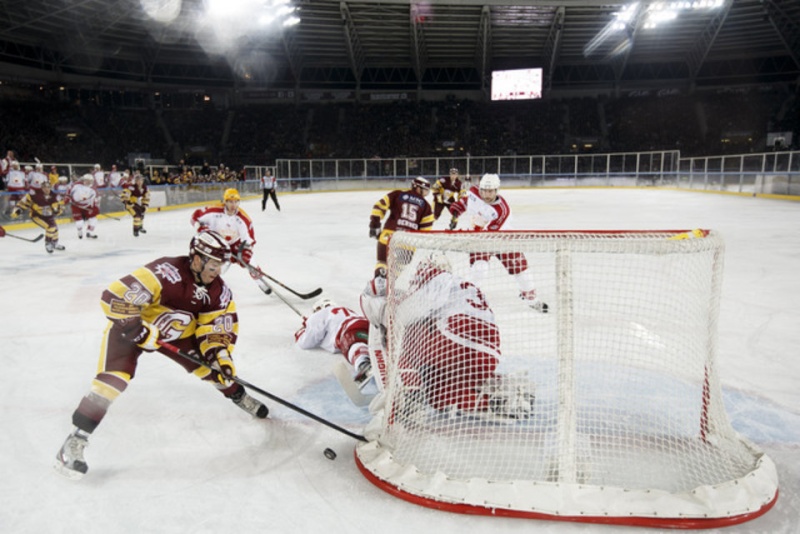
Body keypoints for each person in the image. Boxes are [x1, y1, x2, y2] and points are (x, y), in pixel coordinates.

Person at [54, 230, 269, 480]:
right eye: (212, 264)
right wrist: (137, 330)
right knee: (111, 382)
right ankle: (75, 441)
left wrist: (219, 355)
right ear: (197, 259)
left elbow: (215, 328)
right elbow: (113, 297)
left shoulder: (218, 291)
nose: (216, 271)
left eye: (220, 265)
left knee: (217, 373)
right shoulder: (164, 272)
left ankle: (239, 396)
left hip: (178, 334)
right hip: (134, 329)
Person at [361, 255, 534, 420]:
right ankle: (502, 395)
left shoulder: (437, 279)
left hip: (455, 343)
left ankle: (407, 391)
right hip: (488, 355)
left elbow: (400, 317)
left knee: (392, 331)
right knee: (437, 394)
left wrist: (377, 307)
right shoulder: (462, 287)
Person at [448, 173, 548, 312]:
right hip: (479, 239)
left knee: (521, 270)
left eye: (490, 191)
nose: (486, 194)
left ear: (496, 190)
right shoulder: (473, 192)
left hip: (503, 239)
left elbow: (486, 233)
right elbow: (466, 202)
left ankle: (531, 299)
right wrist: (456, 212)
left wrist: (462, 233)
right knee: (479, 270)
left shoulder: (502, 211)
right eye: (484, 190)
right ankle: (466, 298)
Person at [190, 188, 268, 292]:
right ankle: (206, 284)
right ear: (225, 201)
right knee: (216, 269)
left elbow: (250, 239)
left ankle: (261, 282)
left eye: (236, 202)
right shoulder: (213, 211)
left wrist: (246, 251)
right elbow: (195, 217)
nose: (233, 205)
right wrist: (199, 228)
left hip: (235, 244)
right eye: (230, 202)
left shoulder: (243, 219)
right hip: (217, 246)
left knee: (251, 263)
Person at [294, 298, 373, 389]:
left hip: (349, 330)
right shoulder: (346, 311)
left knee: (351, 343)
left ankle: (364, 364)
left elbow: (306, 342)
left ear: (320, 307)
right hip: (367, 325)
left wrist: (303, 330)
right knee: (371, 345)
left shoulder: (322, 313)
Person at [368, 176, 434, 278]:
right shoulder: (426, 206)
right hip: (408, 242)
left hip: (388, 237)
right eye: (425, 190)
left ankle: (378, 283)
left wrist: (375, 225)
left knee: (382, 262)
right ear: (417, 187)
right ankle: (389, 286)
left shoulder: (397, 194)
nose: (426, 194)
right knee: (396, 271)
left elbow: (379, 206)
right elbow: (425, 230)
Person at [10, 179, 65, 253]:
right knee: (50, 227)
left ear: (50, 187)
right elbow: (23, 203)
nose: (46, 189)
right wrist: (18, 210)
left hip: (49, 216)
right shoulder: (34, 195)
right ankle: (48, 243)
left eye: (48, 187)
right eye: (44, 187)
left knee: (55, 229)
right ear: (41, 188)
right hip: (36, 215)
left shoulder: (55, 196)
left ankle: (55, 243)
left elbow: (61, 206)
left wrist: (57, 210)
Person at [70, 173, 100, 239]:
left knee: (93, 219)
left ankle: (89, 232)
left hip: (87, 207)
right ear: (83, 180)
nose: (88, 182)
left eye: (90, 181)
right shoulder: (77, 186)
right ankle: (79, 231)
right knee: (79, 223)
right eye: (86, 180)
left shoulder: (93, 190)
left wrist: (93, 208)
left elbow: (93, 201)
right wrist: (68, 199)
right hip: (77, 206)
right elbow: (69, 194)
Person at [120, 172, 150, 236]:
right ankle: (135, 230)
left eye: (141, 180)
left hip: (136, 203)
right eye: (138, 180)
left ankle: (140, 227)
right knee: (137, 216)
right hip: (130, 205)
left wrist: (145, 205)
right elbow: (125, 194)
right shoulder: (132, 187)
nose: (139, 182)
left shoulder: (145, 188)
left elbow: (146, 197)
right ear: (135, 181)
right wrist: (126, 201)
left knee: (142, 212)